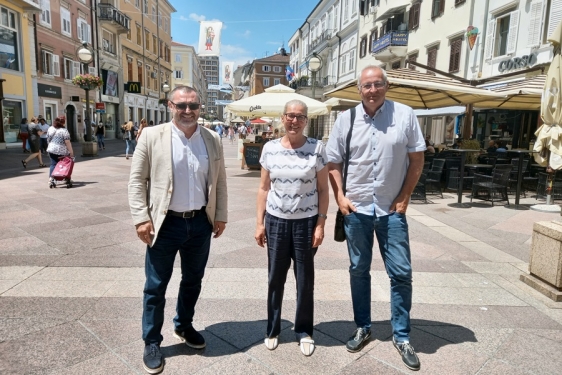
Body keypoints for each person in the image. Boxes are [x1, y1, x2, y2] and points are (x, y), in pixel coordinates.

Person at [326, 66, 425, 371]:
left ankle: (402, 335)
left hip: (391, 209)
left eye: (377, 84)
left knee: (402, 272)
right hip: (356, 209)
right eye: (367, 85)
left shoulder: (405, 115)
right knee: (358, 270)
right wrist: (340, 197)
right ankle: (363, 326)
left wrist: (405, 195)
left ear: (386, 85)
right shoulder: (347, 118)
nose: (372, 90)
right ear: (359, 89)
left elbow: (417, 158)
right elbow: (333, 161)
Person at [128, 85, 228, 374]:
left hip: (199, 222)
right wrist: (141, 218)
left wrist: (219, 214)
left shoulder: (211, 138)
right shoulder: (151, 135)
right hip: (164, 223)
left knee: (193, 280)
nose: (187, 111)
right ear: (170, 106)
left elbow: (219, 181)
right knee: (156, 285)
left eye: (193, 105)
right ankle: (152, 341)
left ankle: (184, 326)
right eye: (181, 105)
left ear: (201, 108)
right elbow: (137, 181)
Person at [255, 100, 328, 357]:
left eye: (299, 117)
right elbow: (264, 189)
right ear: (282, 118)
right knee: (275, 277)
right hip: (276, 221)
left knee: (305, 279)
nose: (294, 121)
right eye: (290, 116)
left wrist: (320, 224)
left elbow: (322, 190)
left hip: (306, 222)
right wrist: (259, 223)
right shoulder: (270, 148)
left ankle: (304, 330)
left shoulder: (317, 148)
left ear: (306, 120)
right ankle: (273, 328)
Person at [46, 116, 74, 185]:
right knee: (65, 164)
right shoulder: (64, 131)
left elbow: (48, 139)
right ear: (63, 123)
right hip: (62, 150)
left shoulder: (50, 128)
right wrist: (71, 152)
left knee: (53, 164)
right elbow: (67, 142)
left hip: (51, 149)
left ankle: (51, 179)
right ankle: (66, 177)